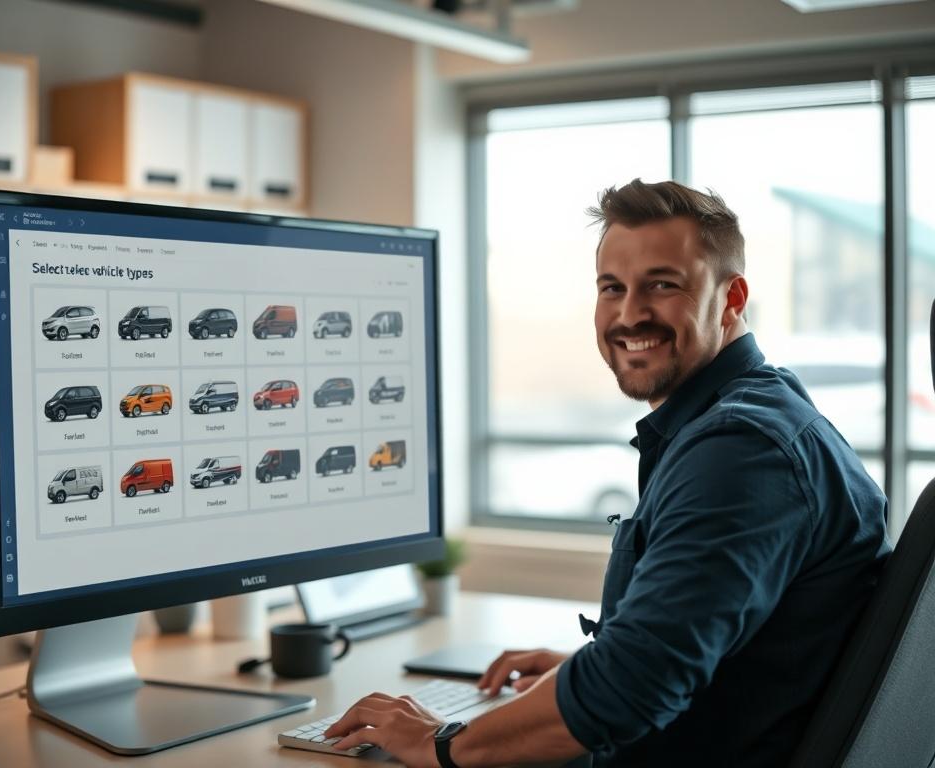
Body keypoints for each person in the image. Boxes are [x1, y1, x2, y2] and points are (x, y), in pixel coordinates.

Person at [324, 179, 891, 767]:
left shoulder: (742, 452)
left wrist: (441, 744)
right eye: (611, 288)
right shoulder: (755, 417)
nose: (629, 314)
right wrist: (589, 668)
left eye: (662, 285)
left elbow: (633, 689)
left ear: (732, 297)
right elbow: (721, 648)